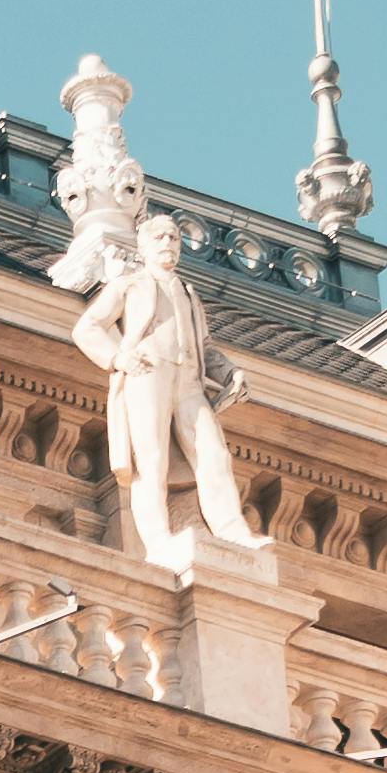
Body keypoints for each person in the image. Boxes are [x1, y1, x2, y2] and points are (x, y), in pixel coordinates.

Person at [71, 214, 266, 562]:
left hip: (189, 382)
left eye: (174, 238)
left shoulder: (188, 293)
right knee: (152, 461)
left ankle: (232, 532)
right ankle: (158, 541)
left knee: (213, 454)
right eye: (160, 238)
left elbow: (203, 345)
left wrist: (229, 372)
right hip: (148, 374)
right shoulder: (129, 286)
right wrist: (118, 358)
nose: (168, 244)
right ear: (143, 247)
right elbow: (87, 328)